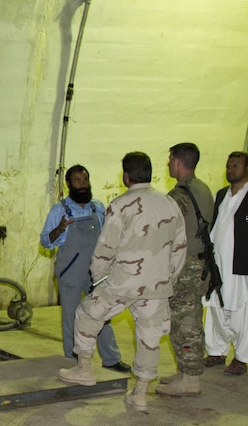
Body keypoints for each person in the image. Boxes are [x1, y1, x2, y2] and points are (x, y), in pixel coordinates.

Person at [58, 151, 187, 410]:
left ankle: (84, 369)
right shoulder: (170, 204)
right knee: (150, 338)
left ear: (126, 176)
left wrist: (98, 279)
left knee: (86, 313)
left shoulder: (120, 205)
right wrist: (166, 278)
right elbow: (180, 247)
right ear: (151, 174)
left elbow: (105, 248)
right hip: (157, 285)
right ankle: (139, 394)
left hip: (122, 282)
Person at [40, 165, 130, 373]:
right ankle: (72, 361)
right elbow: (45, 241)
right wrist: (60, 228)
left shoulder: (98, 208)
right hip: (70, 273)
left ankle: (111, 358)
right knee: (71, 318)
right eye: (78, 181)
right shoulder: (59, 210)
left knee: (102, 314)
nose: (82, 184)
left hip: (96, 272)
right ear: (69, 184)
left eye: (85, 180)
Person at [201, 151, 248, 376]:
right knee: (216, 308)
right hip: (219, 265)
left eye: (236, 166)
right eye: (228, 166)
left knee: (243, 312)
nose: (230, 169)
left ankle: (241, 358)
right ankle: (216, 351)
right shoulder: (221, 194)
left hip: (245, 267)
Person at [156, 143, 214, 397]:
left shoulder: (179, 195)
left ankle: (190, 379)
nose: (168, 164)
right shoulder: (202, 188)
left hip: (185, 265)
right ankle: (184, 371)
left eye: (170, 160)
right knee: (185, 318)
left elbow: (165, 231)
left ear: (179, 163)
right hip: (199, 262)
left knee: (185, 322)